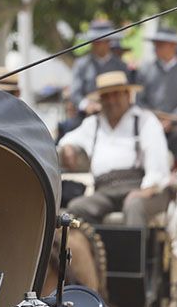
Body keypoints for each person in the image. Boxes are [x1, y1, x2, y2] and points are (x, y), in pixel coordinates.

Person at [58, 70, 170, 226]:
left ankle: (133, 251)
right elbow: (67, 139)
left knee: (135, 206)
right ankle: (93, 250)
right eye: (106, 96)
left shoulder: (145, 121)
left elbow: (157, 164)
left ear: (127, 95)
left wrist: (145, 190)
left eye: (116, 94)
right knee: (76, 209)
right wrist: (67, 147)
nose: (111, 101)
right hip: (104, 190)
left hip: (138, 186)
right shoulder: (93, 124)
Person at [136, 26, 177, 166]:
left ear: (172, 46)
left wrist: (171, 122)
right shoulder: (145, 70)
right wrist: (154, 121)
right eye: (156, 44)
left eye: (161, 44)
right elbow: (139, 100)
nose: (156, 47)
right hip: (149, 127)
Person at [71, 18, 129, 115]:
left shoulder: (120, 65)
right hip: (88, 115)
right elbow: (75, 93)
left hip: (116, 113)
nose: (96, 45)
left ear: (109, 42)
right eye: (94, 41)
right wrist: (86, 105)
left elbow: (127, 91)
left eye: (100, 41)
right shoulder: (81, 64)